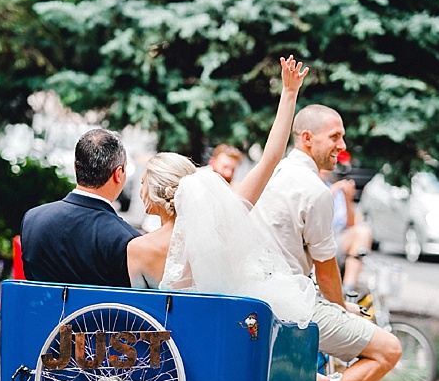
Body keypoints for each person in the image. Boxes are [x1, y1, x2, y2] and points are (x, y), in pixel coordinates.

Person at [253, 104, 402, 381]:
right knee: (389, 350)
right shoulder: (315, 191)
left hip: (259, 296)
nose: (343, 146)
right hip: (294, 305)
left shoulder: (273, 173)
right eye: (335, 136)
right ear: (307, 138)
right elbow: (327, 272)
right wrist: (340, 305)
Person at [128, 55, 308, 290]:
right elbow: (270, 160)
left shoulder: (138, 249)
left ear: (155, 192)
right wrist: (289, 93)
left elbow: (141, 315)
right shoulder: (221, 229)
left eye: (143, 183)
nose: (140, 190)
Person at [20, 129, 141, 287]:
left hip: (43, 311)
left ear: (76, 168)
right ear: (118, 174)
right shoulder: (126, 239)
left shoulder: (33, 219)